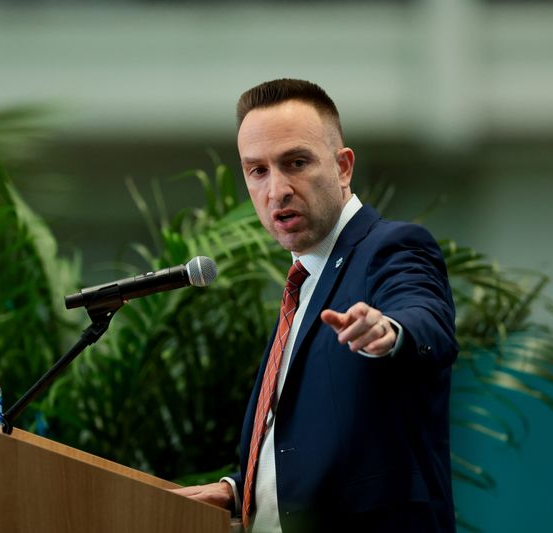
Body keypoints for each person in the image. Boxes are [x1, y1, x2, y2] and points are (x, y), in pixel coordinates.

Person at [174, 79, 458, 532]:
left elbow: (424, 316)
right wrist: (242, 490)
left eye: (296, 163)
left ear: (343, 167)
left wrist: (388, 331)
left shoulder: (391, 247)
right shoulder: (303, 283)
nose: (277, 190)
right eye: (257, 170)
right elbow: (315, 441)